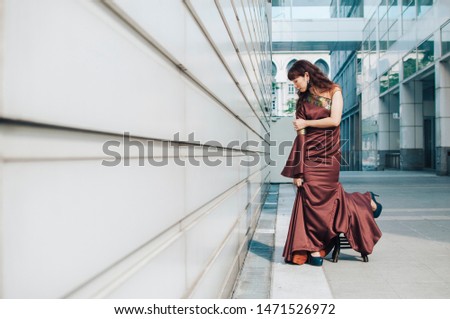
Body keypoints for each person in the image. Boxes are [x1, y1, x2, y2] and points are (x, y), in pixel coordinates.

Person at [280, 59, 382, 266]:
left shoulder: (334, 90)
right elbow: (301, 137)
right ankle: (313, 248)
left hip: (329, 155)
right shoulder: (302, 102)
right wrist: (297, 172)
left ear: (307, 75)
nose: (295, 85)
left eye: (296, 81)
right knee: (307, 197)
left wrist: (306, 122)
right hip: (309, 155)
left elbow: (335, 120)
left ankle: (365, 201)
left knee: (328, 198)